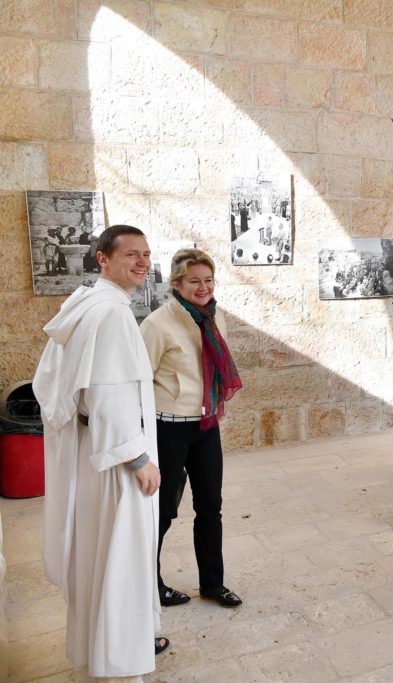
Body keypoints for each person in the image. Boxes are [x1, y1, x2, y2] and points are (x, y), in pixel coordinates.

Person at [33, 225, 169, 678]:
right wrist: (139, 460)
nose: (142, 262)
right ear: (103, 259)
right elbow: (109, 394)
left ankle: (98, 647)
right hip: (115, 458)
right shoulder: (110, 314)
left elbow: (52, 382)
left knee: (97, 552)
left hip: (95, 449)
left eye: (147, 254)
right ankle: (121, 658)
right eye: (131, 254)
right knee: (120, 555)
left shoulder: (85, 303)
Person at [139, 248, 244, 611]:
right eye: (194, 281)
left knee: (210, 506)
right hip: (168, 430)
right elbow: (139, 381)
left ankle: (213, 583)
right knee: (163, 512)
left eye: (208, 280)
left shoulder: (214, 318)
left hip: (205, 425)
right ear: (177, 283)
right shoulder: (156, 324)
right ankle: (150, 584)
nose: (203, 287)